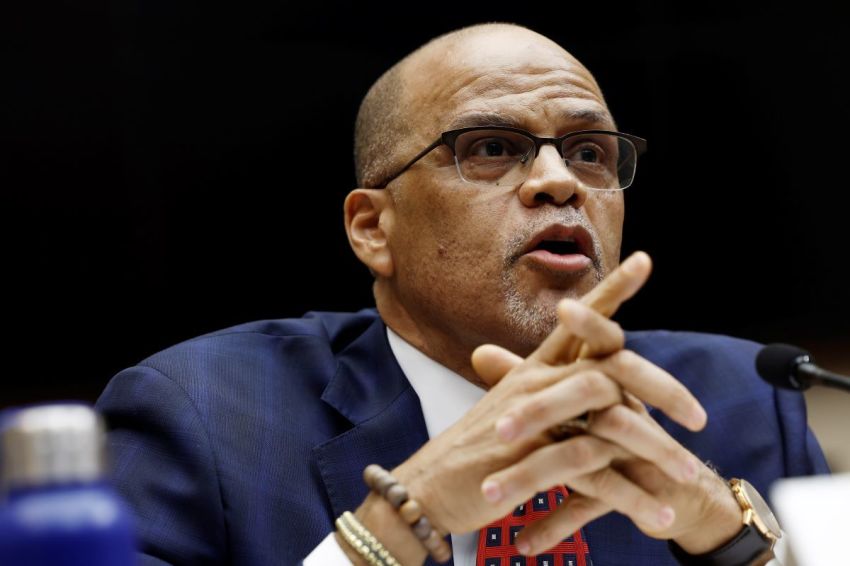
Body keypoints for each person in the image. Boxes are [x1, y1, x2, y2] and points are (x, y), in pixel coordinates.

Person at [96, 23, 828, 566]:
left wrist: (734, 545)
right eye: (491, 148)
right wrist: (392, 526)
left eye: (590, 153)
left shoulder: (745, 402)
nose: (560, 182)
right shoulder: (202, 415)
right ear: (372, 228)